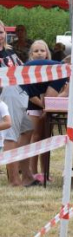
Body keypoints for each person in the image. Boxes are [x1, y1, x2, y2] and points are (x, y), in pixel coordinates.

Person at [22, 40, 68, 182]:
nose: (39, 53)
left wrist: (51, 103)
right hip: (34, 106)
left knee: (46, 139)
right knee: (35, 137)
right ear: (31, 54)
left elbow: (56, 94)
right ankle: (33, 172)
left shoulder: (56, 70)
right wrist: (44, 106)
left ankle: (45, 172)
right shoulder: (27, 70)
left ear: (47, 53)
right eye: (36, 51)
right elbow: (30, 95)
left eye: (42, 50)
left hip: (48, 104)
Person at [0, 21, 33, 186]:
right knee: (11, 136)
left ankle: (26, 175)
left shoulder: (10, 52)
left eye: (1, 32)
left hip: (18, 94)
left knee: (27, 130)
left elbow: (23, 70)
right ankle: (14, 180)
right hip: (6, 97)